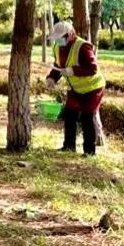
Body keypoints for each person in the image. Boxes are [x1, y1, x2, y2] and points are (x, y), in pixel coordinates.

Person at [47, 20, 105, 156]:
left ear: (70, 35)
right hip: (75, 88)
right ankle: (68, 146)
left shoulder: (83, 46)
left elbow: (93, 68)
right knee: (70, 114)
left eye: (60, 38)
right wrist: (51, 78)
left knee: (87, 117)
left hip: (93, 89)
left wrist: (73, 71)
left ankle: (89, 152)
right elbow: (58, 65)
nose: (58, 41)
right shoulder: (57, 47)